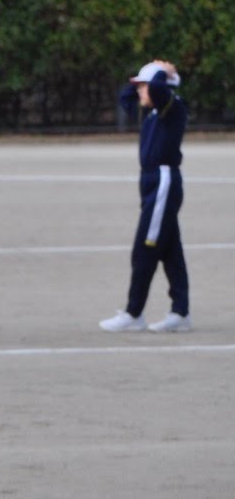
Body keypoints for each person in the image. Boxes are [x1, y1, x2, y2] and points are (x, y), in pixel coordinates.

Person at [99, 60, 191, 333]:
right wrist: (147, 75)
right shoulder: (151, 113)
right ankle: (180, 312)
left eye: (144, 86)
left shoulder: (172, 108)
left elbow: (160, 89)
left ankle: (133, 312)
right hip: (150, 182)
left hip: (163, 182)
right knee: (171, 251)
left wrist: (163, 72)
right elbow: (124, 96)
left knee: (145, 249)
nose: (139, 91)